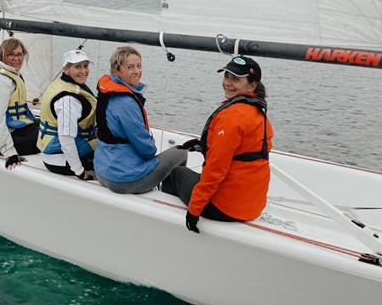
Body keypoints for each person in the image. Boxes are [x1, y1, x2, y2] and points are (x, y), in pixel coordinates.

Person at [162, 55, 274, 233]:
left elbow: (216, 170)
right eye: (226, 76)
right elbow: (243, 152)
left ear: (252, 85)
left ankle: (163, 220)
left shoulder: (231, 117)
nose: (228, 83)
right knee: (195, 176)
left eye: (235, 79)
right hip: (253, 207)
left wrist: (194, 210)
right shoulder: (260, 115)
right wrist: (203, 145)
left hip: (222, 208)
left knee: (175, 173)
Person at [94, 45, 187, 193]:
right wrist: (151, 147)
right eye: (130, 67)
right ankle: (169, 194)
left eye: (139, 66)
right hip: (123, 179)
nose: (137, 71)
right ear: (117, 70)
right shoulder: (126, 103)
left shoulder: (106, 93)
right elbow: (147, 151)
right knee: (181, 152)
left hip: (102, 170)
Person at [0, 37, 39, 168]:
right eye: (11, 54)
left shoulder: (11, 74)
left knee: (47, 128)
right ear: (2, 56)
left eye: (19, 54)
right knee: (51, 139)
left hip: (14, 130)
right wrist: (10, 153)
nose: (16, 58)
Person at [37, 49, 97, 180]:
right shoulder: (68, 100)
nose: (83, 71)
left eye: (85, 66)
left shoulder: (65, 84)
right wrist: (80, 172)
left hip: (56, 153)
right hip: (60, 159)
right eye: (77, 67)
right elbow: (66, 138)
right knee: (110, 147)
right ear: (66, 69)